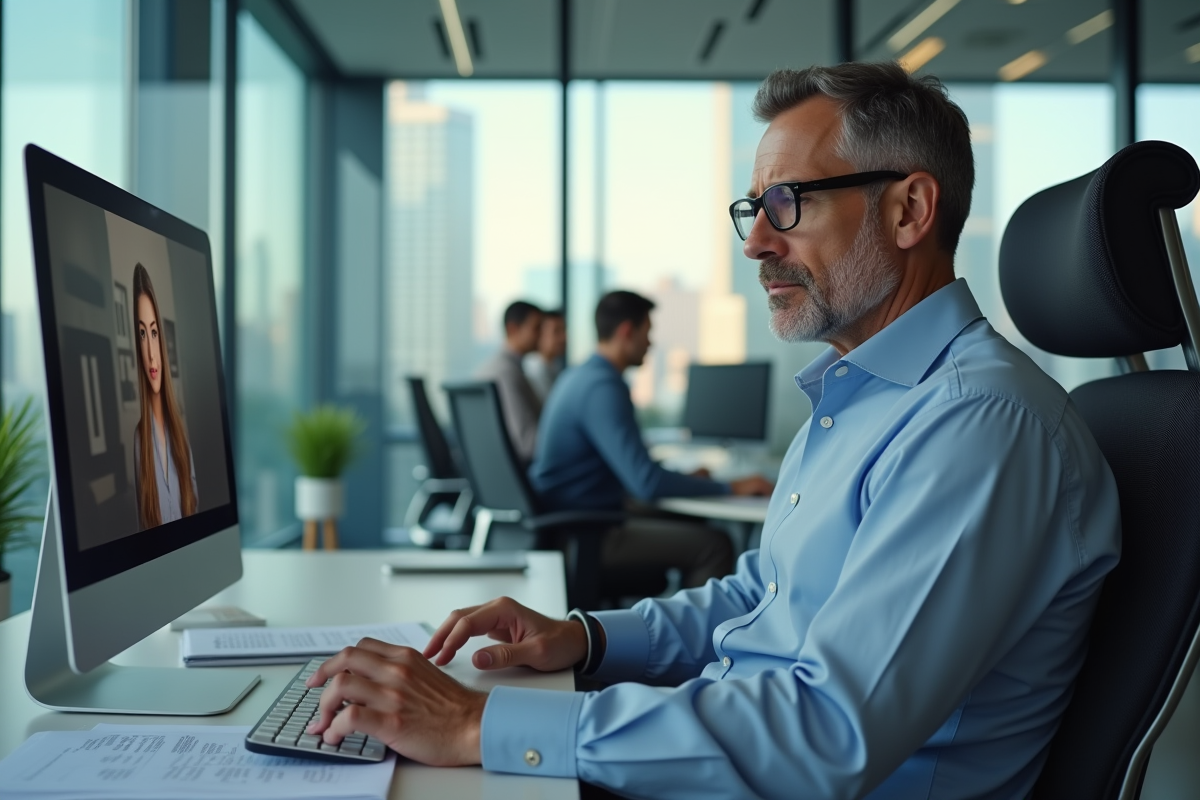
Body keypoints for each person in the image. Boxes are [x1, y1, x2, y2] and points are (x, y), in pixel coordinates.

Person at [302, 62, 1121, 800]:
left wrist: (480, 727)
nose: (757, 243)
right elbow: (763, 596)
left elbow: (826, 736)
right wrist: (584, 639)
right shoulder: (864, 397)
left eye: (787, 204)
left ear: (909, 210)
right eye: (752, 210)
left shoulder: (979, 426)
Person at [526, 289, 772, 587]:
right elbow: (646, 483)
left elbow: (635, 471)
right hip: (589, 532)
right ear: (627, 331)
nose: (650, 343)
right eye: (647, 332)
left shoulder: (579, 377)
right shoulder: (602, 387)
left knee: (693, 523)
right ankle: (691, 634)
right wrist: (731, 485)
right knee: (714, 545)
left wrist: (688, 478)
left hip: (575, 521)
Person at [131, 263, 198, 529]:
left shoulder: (180, 435)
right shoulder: (139, 440)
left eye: (154, 332)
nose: (150, 352)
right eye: (142, 334)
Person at [475, 300, 544, 463]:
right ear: (513, 329)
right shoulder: (506, 373)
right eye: (536, 328)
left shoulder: (491, 368)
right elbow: (528, 443)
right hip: (521, 473)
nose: (542, 335)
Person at [525, 308, 566, 401]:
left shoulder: (554, 365)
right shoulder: (535, 370)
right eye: (556, 331)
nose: (564, 337)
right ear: (539, 333)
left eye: (564, 330)